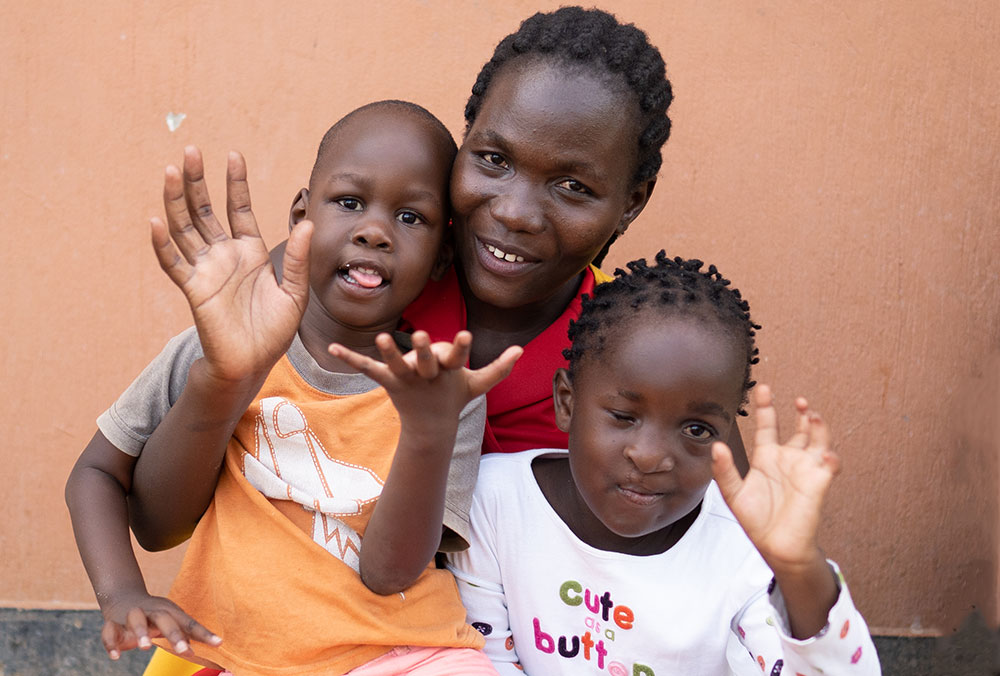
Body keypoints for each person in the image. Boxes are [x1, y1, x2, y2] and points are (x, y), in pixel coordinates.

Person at [72, 6, 748, 674]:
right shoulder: (359, 276)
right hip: (247, 642)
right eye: (492, 159)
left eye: (573, 185)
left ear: (630, 202)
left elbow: (725, 535)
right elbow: (157, 517)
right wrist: (221, 381)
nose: (513, 212)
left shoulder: (624, 355)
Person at [66, 100, 522, 675]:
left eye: (411, 218)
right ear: (301, 214)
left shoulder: (439, 388)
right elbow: (131, 504)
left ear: (441, 257)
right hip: (235, 655)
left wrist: (428, 433)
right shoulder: (220, 343)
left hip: (400, 654)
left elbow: (389, 574)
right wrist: (121, 593)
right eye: (349, 202)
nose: (375, 231)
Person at [446, 252, 881, 675]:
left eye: (696, 430)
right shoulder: (494, 503)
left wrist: (796, 566)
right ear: (567, 402)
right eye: (623, 416)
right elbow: (488, 661)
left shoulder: (740, 548)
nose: (650, 456)